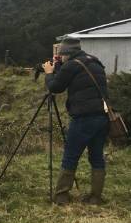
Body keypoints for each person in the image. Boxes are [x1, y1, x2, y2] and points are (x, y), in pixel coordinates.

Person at [43, 37, 109, 205]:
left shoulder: (72, 65)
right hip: (103, 117)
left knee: (71, 156)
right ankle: (95, 197)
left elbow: (55, 87)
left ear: (66, 53)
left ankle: (61, 197)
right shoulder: (95, 62)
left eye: (61, 55)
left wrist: (50, 73)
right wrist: (59, 67)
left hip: (83, 118)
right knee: (96, 157)